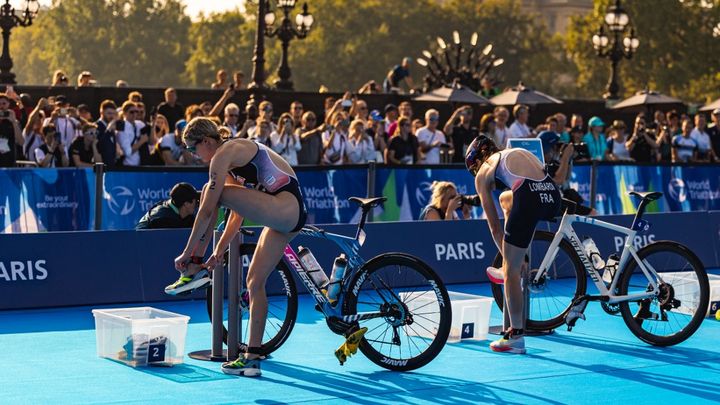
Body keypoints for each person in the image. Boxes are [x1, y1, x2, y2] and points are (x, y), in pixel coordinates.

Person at [172, 117, 308, 377]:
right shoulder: (232, 163)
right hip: (286, 215)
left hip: (285, 208)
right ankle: (252, 358)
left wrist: (188, 252)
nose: (192, 155)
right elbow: (237, 214)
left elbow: (208, 208)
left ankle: (194, 267)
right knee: (254, 282)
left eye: (192, 148)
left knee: (208, 192)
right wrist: (218, 251)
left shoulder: (225, 153)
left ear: (207, 141)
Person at [465, 135, 561, 354]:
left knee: (511, 271)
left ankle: (515, 336)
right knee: (506, 199)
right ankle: (518, 258)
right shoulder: (516, 152)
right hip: (553, 195)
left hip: (529, 199)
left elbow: (494, 228)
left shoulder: (483, 172)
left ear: (478, 160)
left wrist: (508, 262)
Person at [0, 93, 22, 167]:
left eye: (4, 103)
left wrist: (13, 122)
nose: (1, 106)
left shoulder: (13, 121)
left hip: (9, 162)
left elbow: (21, 142)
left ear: (8, 104)